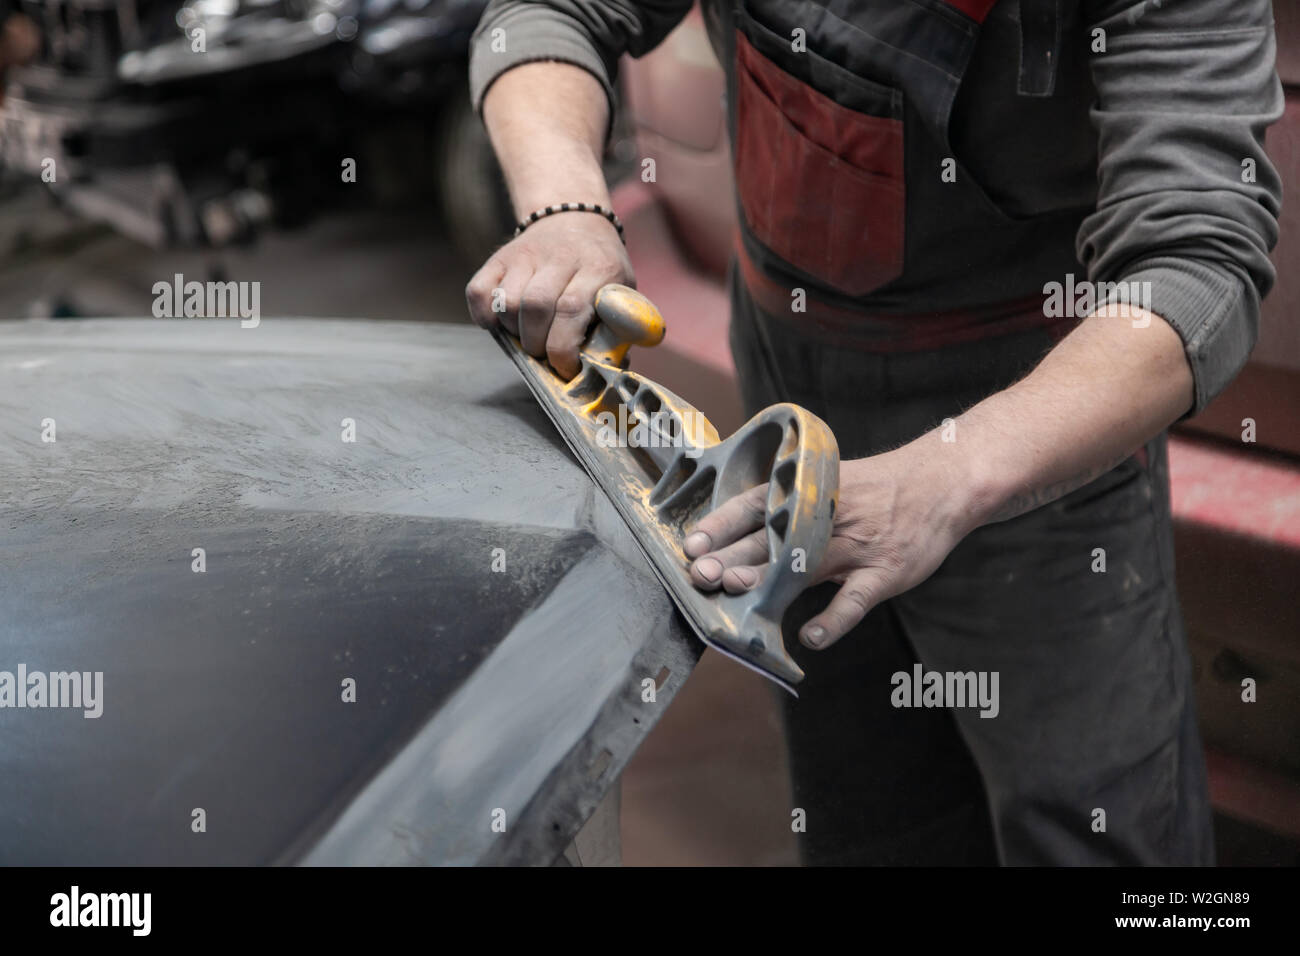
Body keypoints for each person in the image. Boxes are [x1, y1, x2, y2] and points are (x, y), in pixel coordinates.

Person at [464, 0, 1284, 865]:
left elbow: (1198, 266)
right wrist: (564, 206)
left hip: (1036, 443)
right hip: (788, 391)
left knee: (1088, 828)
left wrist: (944, 479)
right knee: (867, 815)